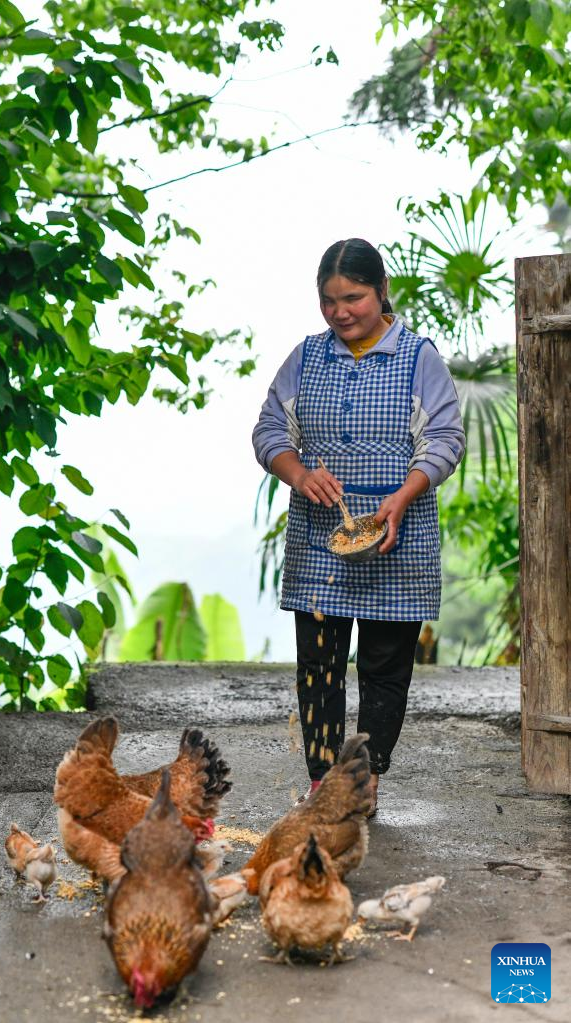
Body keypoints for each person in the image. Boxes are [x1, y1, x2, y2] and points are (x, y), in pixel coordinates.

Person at [252, 238, 465, 815]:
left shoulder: (418, 358)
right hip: (322, 538)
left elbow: (445, 439)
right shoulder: (307, 357)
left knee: (383, 669)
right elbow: (270, 429)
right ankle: (325, 784)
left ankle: (364, 783)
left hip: (399, 536)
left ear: (381, 293)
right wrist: (297, 473)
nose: (340, 312)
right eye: (328, 300)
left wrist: (403, 496)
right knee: (319, 664)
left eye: (354, 298)